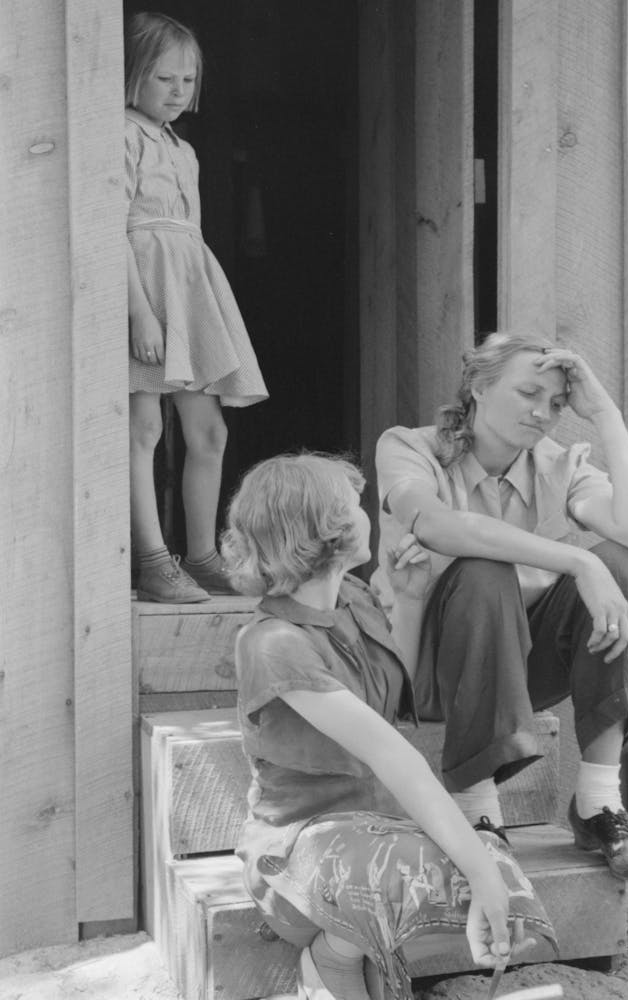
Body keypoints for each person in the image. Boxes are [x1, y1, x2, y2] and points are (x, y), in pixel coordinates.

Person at [221, 454, 556, 1000]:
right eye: (353, 504)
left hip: (373, 838)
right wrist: (479, 871)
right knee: (473, 869)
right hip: (300, 855)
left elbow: (392, 693)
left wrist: (405, 594)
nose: (367, 511)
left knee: (504, 877)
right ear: (325, 529)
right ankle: (332, 957)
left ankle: (360, 958)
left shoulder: (351, 599)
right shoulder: (272, 643)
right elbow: (393, 754)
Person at [373, 331, 628, 886]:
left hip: (514, 672)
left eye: (556, 404)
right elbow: (440, 527)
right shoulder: (409, 447)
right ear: (479, 387)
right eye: (528, 393)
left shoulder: (557, 464)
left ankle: (600, 802)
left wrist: (603, 412)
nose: (542, 413)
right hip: (423, 668)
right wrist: (581, 565)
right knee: (485, 570)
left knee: (626, 564)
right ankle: (478, 811)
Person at [125, 12, 268, 603]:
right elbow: (111, 226)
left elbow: (189, 232)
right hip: (142, 289)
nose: (178, 92)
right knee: (144, 425)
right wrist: (138, 313)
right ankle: (153, 561)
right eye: (164, 79)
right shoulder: (122, 133)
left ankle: (203, 555)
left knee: (208, 431)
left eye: (187, 80)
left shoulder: (184, 149)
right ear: (133, 75)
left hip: (187, 286)